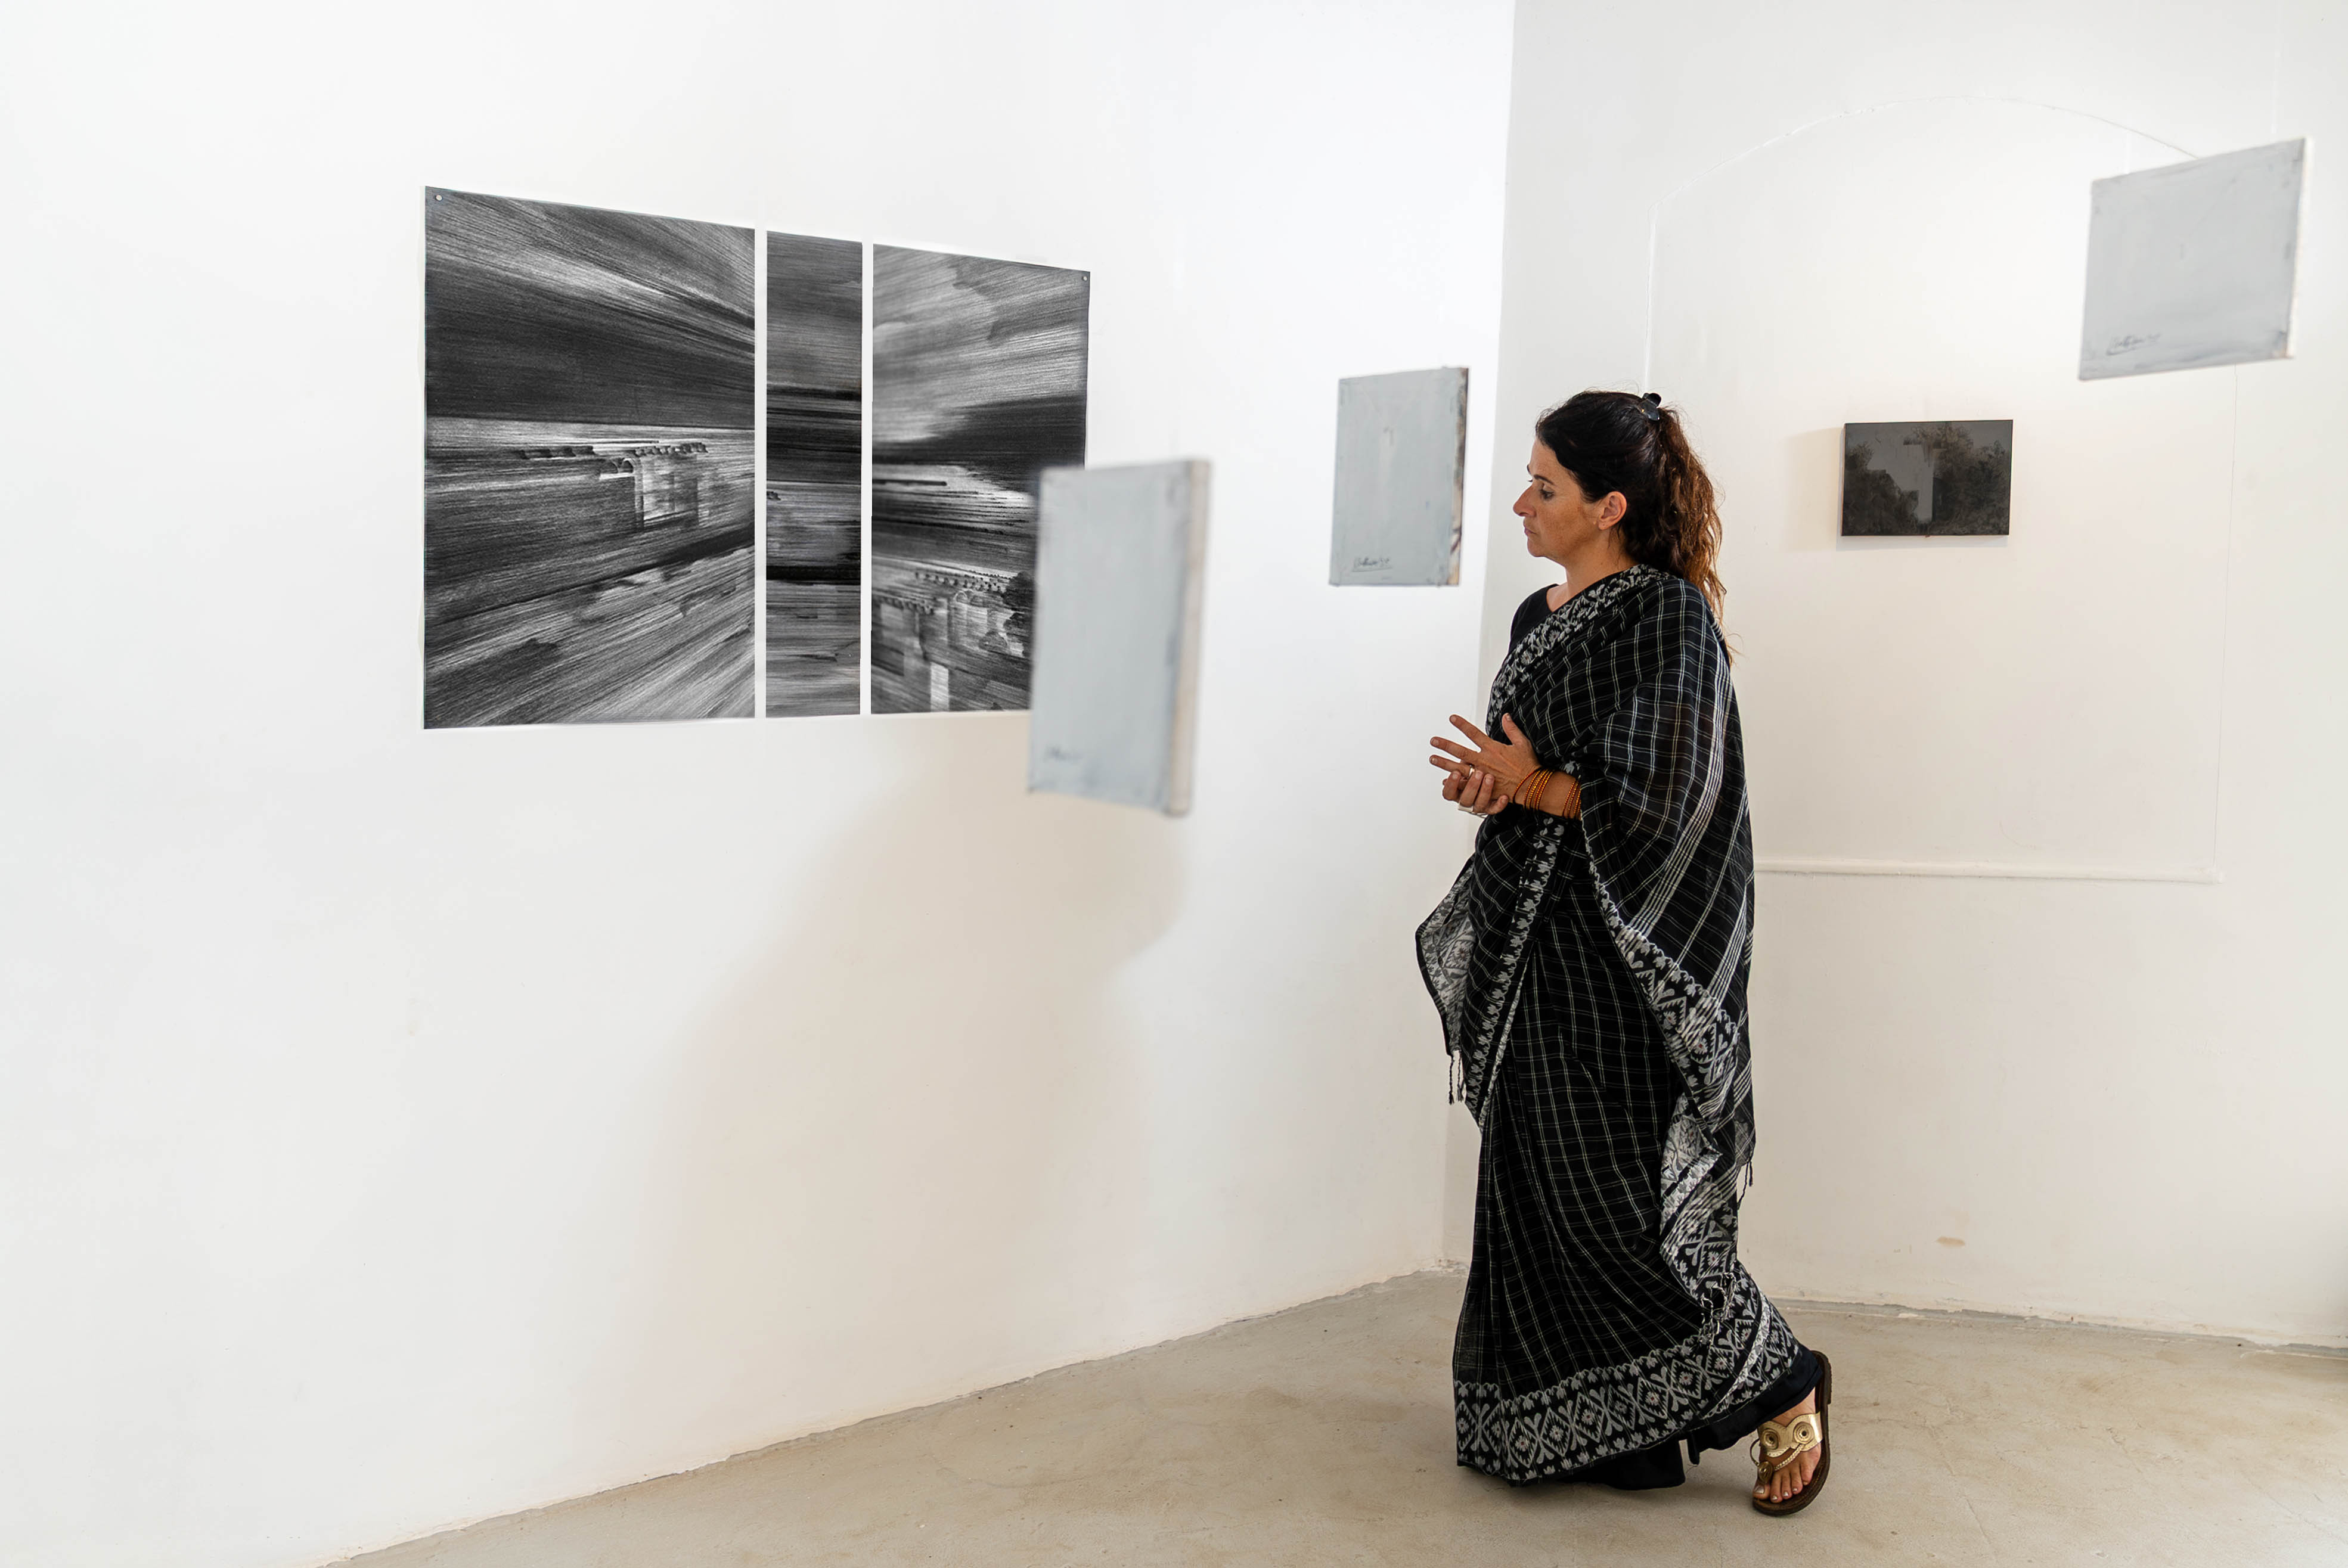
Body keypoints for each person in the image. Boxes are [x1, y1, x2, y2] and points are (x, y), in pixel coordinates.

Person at [1418, 390, 1832, 1515]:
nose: (1521, 504)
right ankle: (1614, 1427)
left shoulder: (1666, 619)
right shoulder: (1536, 616)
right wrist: (1493, 787)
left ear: (1608, 507)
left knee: (1612, 1200)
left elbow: (1671, 798)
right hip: (1526, 942)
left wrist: (1539, 786)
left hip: (1618, 955)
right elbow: (1529, 769)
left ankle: (1783, 1380)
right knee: (1534, 1188)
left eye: (1543, 486)